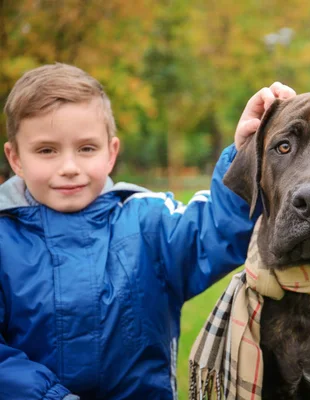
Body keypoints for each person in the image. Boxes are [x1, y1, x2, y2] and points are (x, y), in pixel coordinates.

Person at [0, 63, 295, 399]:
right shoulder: (4, 239)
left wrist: (246, 153)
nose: (69, 168)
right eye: (46, 151)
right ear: (16, 158)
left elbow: (216, 230)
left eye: (86, 148)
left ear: (111, 153)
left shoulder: (148, 223)